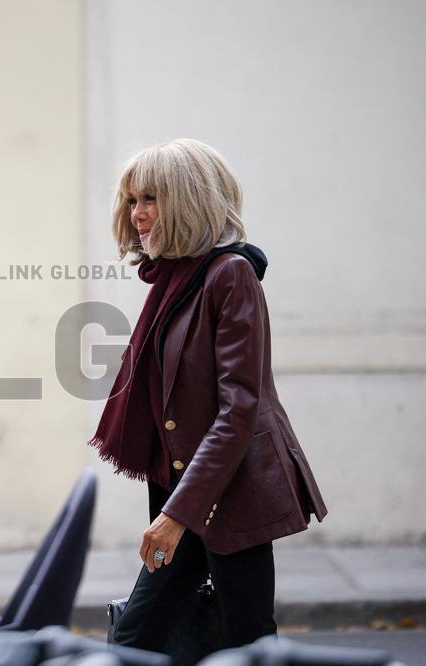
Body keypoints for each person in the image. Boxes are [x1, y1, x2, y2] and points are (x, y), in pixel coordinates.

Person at [89, 139, 327, 662]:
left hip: (229, 493)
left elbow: (239, 407)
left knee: (244, 644)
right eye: (131, 200)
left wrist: (178, 512)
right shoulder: (175, 279)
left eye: (150, 198)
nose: (138, 214)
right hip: (191, 492)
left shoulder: (230, 275)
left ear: (188, 200)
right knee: (141, 638)